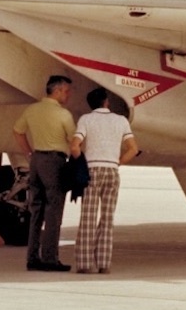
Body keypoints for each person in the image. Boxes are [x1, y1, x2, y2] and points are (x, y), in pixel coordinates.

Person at [14, 75, 80, 272]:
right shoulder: (63, 115)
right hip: (55, 162)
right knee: (54, 211)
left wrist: (28, 153)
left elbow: (17, 131)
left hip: (36, 161)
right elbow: (73, 140)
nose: (68, 95)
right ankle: (50, 258)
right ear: (57, 91)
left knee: (36, 210)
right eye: (66, 91)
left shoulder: (32, 110)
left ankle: (32, 258)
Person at [73, 88, 138, 275]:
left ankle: (85, 264)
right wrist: (118, 162)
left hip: (92, 169)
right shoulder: (121, 121)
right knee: (107, 218)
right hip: (111, 170)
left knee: (88, 218)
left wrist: (80, 163)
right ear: (106, 102)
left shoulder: (86, 119)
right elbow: (133, 148)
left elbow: (75, 145)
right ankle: (104, 263)